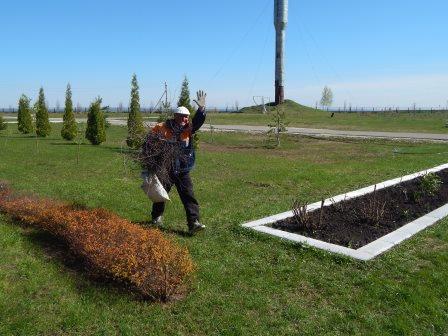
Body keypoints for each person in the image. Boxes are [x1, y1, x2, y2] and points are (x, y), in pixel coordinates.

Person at [143, 90, 207, 235]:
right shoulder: (161, 127)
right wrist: (151, 159)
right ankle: (156, 217)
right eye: (183, 117)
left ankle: (194, 222)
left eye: (187, 117)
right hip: (165, 169)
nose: (185, 119)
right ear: (175, 116)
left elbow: (197, 122)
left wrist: (201, 109)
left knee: (188, 195)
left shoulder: (188, 129)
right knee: (160, 193)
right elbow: (148, 143)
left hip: (183, 170)